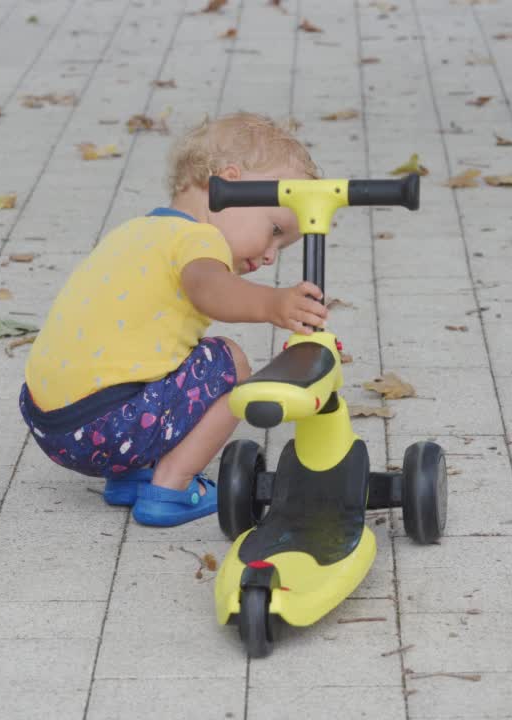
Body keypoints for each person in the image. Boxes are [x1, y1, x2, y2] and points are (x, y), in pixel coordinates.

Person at [18, 112, 328, 526]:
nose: (271, 254)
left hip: (50, 424)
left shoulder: (136, 231)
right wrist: (272, 304)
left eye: (282, 247)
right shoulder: (197, 241)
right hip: (107, 427)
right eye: (274, 229)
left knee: (165, 358)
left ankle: (129, 477)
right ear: (229, 186)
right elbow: (209, 288)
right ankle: (171, 487)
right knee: (228, 361)